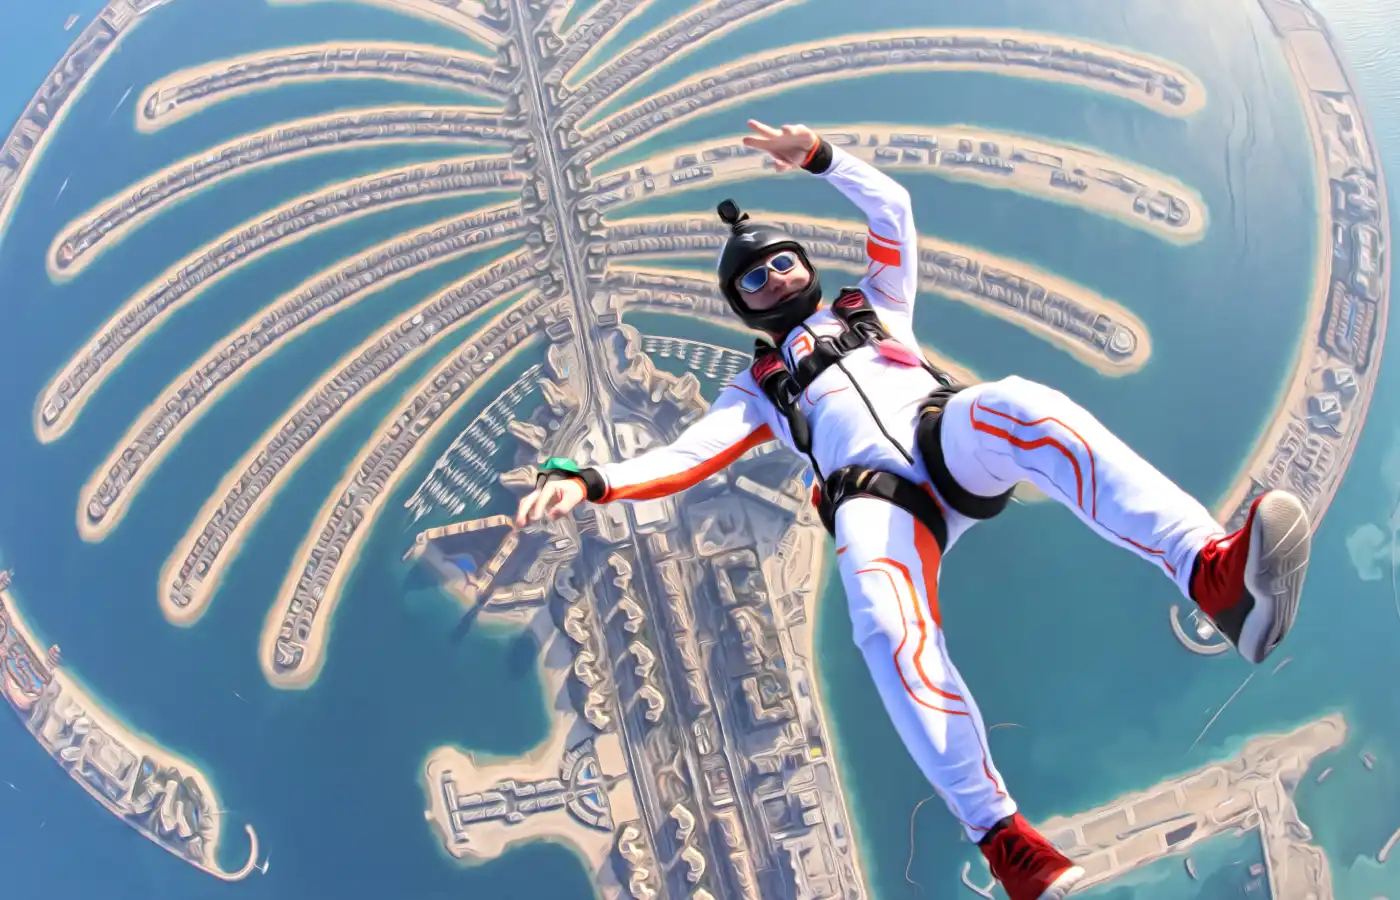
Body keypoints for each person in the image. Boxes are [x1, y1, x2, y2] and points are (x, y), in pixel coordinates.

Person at [515, 120, 1312, 900]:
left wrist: (826, 160)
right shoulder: (757, 390)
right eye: (755, 280)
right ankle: (1006, 842)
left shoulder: (878, 305)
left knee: (1026, 407)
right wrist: (591, 480)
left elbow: (892, 210)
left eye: (784, 262)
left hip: (947, 441)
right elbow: (684, 456)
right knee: (884, 625)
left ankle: (1214, 575)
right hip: (876, 500)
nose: (777, 279)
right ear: (740, 306)